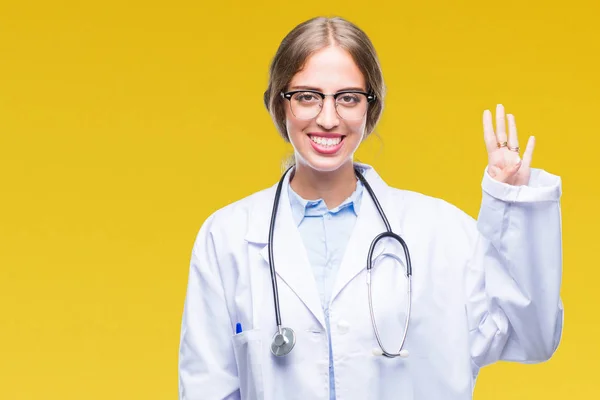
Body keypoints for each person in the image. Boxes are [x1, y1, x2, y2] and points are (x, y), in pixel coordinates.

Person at [178, 16, 563, 400]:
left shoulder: (439, 232)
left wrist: (513, 206)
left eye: (347, 98)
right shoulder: (227, 237)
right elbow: (205, 389)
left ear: (369, 107)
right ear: (280, 104)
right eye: (308, 96)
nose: (328, 119)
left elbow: (532, 338)